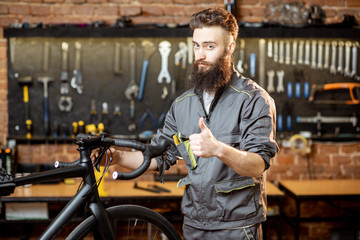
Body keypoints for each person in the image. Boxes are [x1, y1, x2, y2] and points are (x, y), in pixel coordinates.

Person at [95, 7, 278, 239]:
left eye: (210, 46)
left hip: (236, 228)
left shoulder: (254, 100)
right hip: (194, 225)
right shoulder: (183, 104)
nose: (200, 55)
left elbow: (258, 164)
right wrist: (116, 158)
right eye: (196, 45)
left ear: (230, 47)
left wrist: (219, 150)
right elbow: (159, 156)